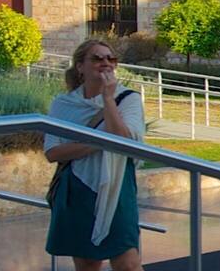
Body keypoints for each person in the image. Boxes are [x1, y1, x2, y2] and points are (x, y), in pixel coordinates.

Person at [46, 39, 148, 271]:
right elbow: (53, 152)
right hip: (76, 188)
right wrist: (101, 143)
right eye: (97, 58)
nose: (105, 63)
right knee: (87, 263)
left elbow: (124, 142)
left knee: (127, 262)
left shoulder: (128, 99)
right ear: (80, 66)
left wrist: (108, 99)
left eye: (110, 59)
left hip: (116, 186)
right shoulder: (63, 104)